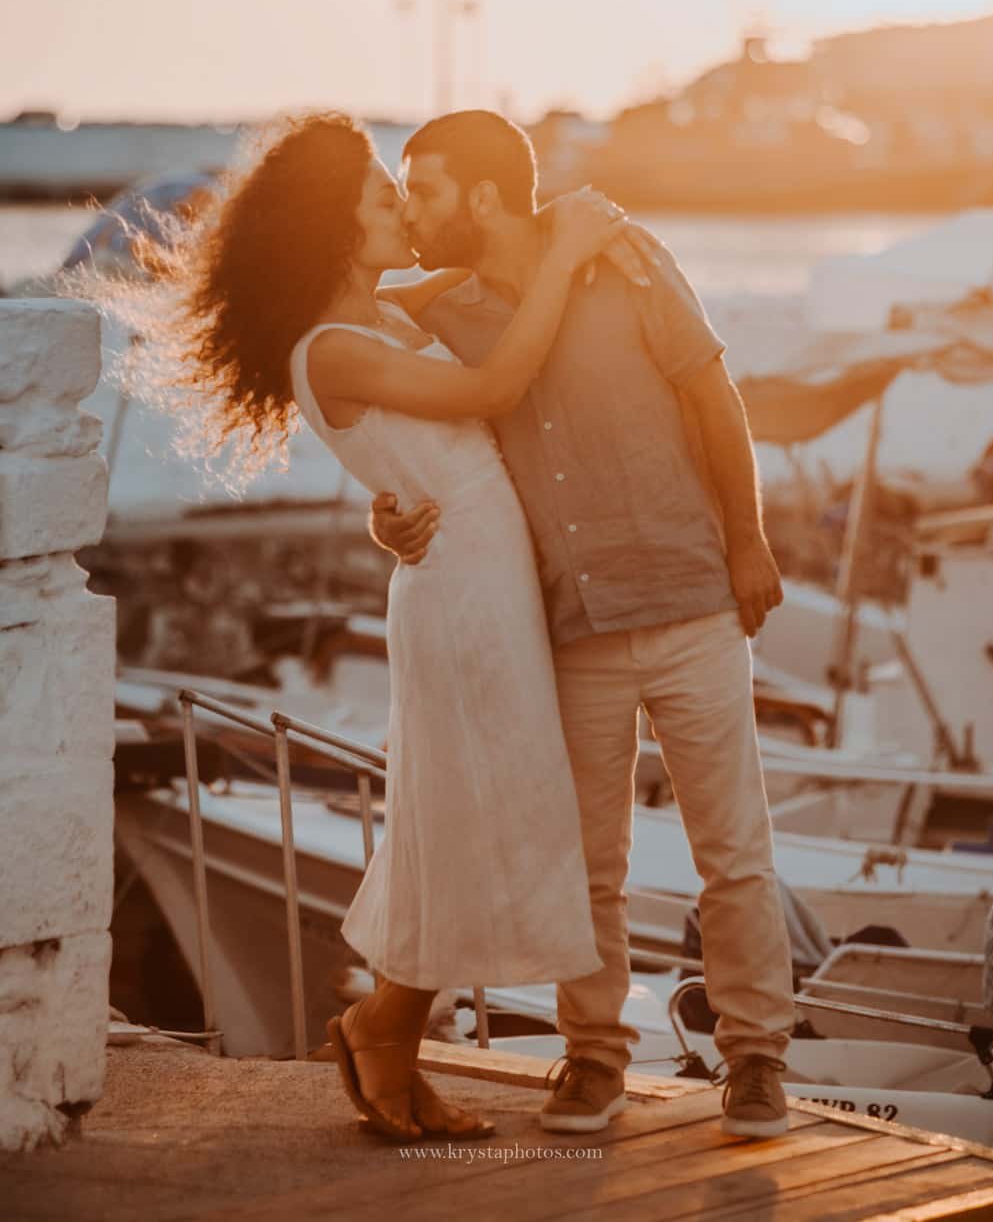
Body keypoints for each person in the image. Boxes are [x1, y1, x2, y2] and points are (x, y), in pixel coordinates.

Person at [79, 110, 653, 1143]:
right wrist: (567, 250)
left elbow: (471, 301)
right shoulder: (331, 347)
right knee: (468, 815)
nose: (398, 207)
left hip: (480, 581)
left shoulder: (380, 314)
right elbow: (491, 383)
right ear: (338, 225)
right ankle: (384, 1030)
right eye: (381, 197)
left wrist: (529, 249)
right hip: (462, 600)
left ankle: (385, 1030)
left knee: (456, 819)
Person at [369, 109, 797, 1139]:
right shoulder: (448, 314)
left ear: (479, 196)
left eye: (422, 191)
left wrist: (747, 540)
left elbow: (712, 399)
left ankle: (755, 1063)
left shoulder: (626, 258)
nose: (409, 212)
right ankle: (594, 1059)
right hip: (568, 623)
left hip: (692, 596)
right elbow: (411, 418)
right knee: (587, 865)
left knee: (732, 851)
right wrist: (385, 512)